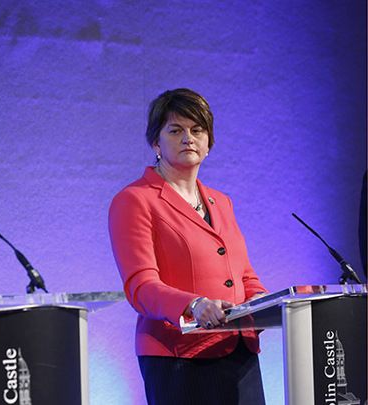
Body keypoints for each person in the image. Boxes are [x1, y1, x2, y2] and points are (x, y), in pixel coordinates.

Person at [108, 88, 267, 404]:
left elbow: (242, 273)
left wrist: (261, 300)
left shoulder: (221, 202)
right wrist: (194, 305)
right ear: (156, 142)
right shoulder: (134, 200)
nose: (188, 138)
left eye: (197, 130)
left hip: (238, 351)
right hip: (178, 354)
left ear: (209, 143)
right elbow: (140, 286)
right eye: (175, 130)